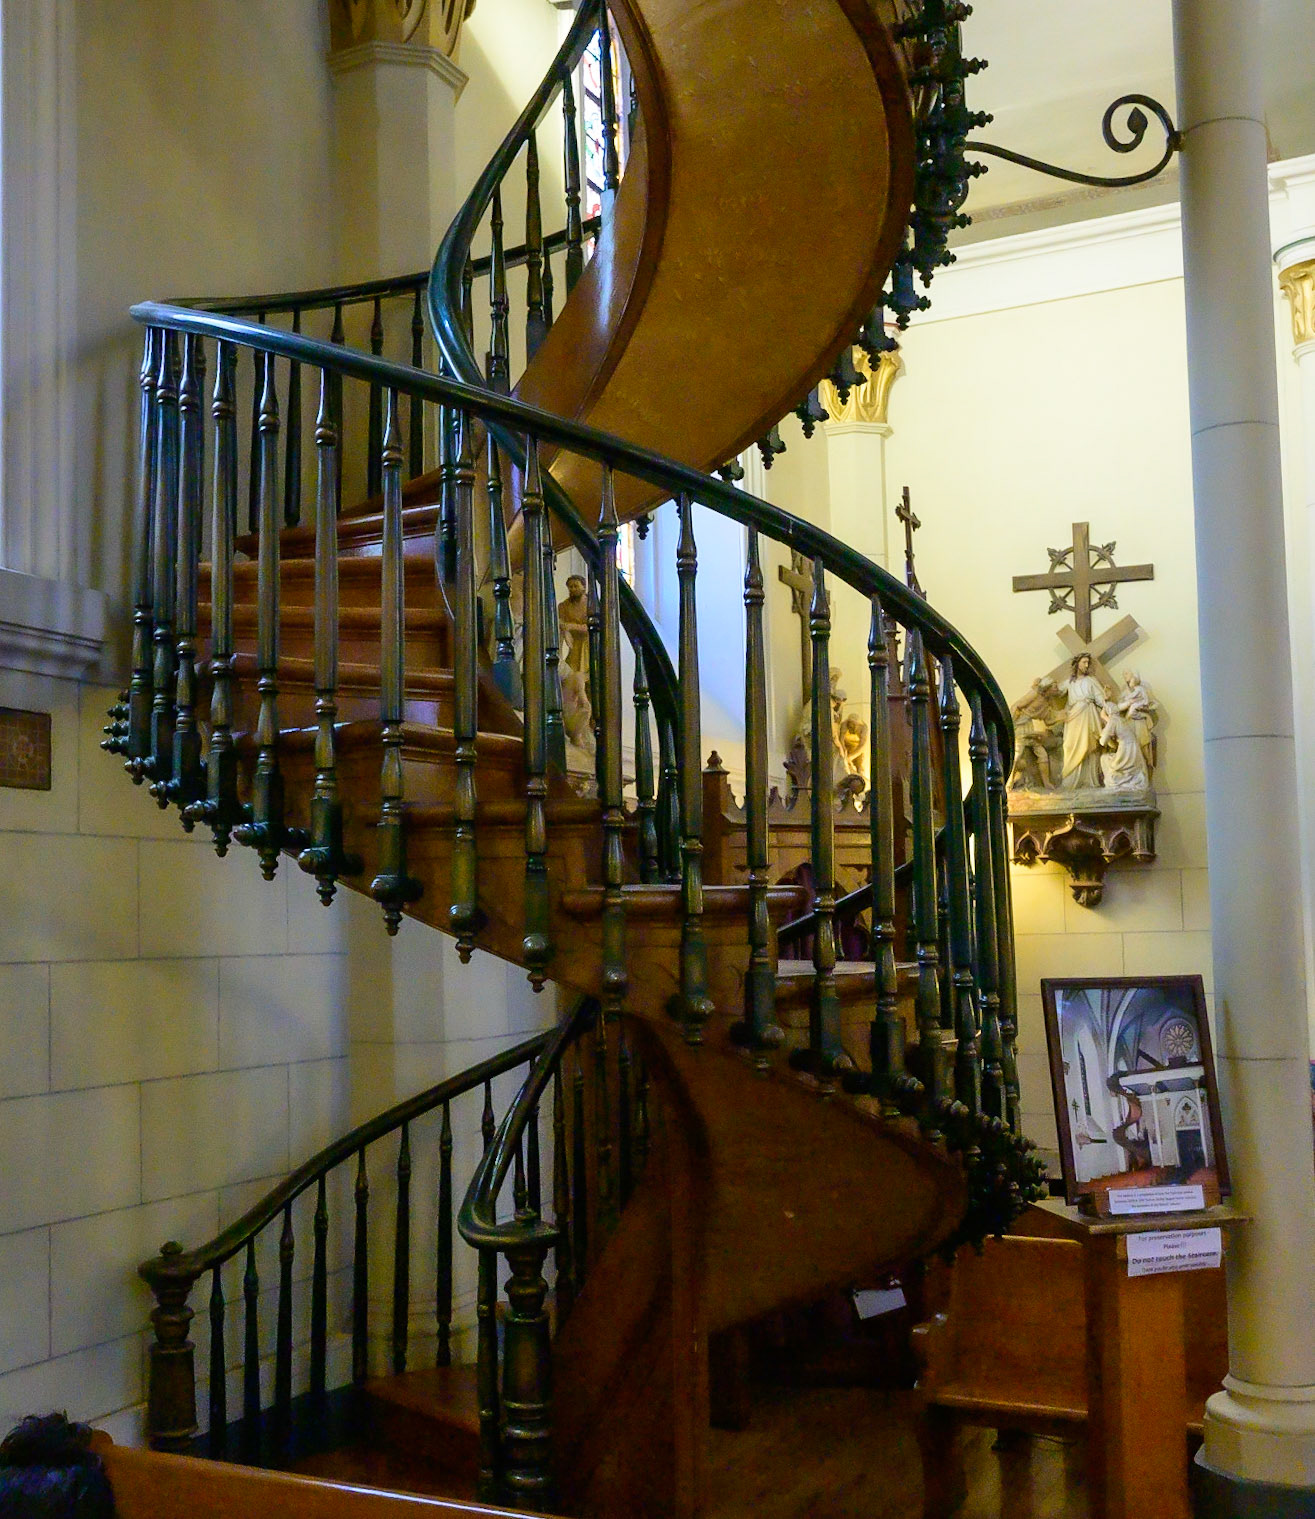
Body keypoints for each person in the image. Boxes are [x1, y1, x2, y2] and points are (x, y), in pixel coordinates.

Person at [1060, 652, 1109, 790]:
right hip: (1074, 716)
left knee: (1089, 746)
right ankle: (1070, 780)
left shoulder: (1091, 681)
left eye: (1088, 663)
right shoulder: (1069, 682)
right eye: (1084, 662)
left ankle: (1090, 780)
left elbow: (1100, 699)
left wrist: (1110, 708)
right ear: (1077, 663)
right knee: (1070, 745)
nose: (1086, 665)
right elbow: (1056, 692)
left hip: (1088, 714)